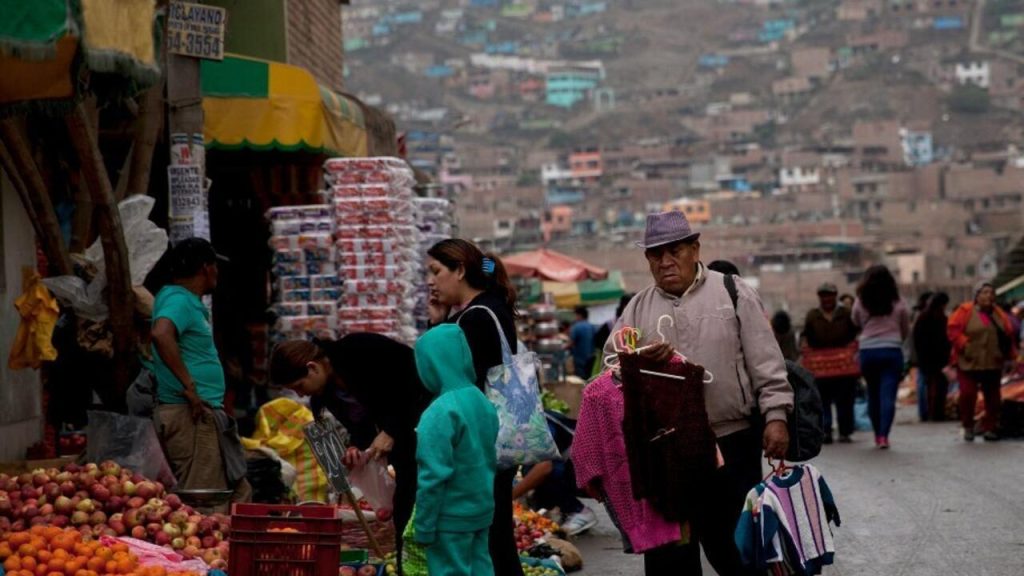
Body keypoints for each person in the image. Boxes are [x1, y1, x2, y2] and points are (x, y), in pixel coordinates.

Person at [610, 211, 793, 576]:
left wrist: (776, 417)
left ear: (695, 249)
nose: (665, 261)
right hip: (665, 455)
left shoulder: (732, 292)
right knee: (671, 561)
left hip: (731, 441)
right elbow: (611, 369)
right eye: (655, 254)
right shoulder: (637, 309)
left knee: (736, 553)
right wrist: (638, 360)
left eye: (674, 251)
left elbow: (767, 362)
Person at [268, 334, 431, 572]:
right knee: (404, 514)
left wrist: (391, 431)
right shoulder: (326, 394)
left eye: (299, 386)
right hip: (404, 453)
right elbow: (362, 424)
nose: (301, 395)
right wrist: (356, 448)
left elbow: (413, 387)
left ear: (312, 368)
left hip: (428, 437)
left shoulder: (360, 350)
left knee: (423, 514)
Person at [425, 238, 523, 576]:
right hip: (495, 437)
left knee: (489, 543)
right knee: (497, 539)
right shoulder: (490, 307)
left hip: (479, 443)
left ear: (460, 270)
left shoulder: (475, 318)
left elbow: (445, 377)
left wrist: (439, 326)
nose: (431, 281)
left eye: (436, 271)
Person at [149, 238, 250, 502]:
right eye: (215, 266)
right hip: (191, 413)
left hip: (198, 412)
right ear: (206, 268)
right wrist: (190, 387)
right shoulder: (178, 299)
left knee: (235, 491)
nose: (217, 272)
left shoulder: (181, 299)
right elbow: (161, 334)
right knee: (205, 498)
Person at [412, 324, 500, 576]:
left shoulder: (439, 412)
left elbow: (433, 476)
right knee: (482, 568)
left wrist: (424, 526)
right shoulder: (482, 401)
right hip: (481, 510)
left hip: (449, 518)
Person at [947, 283, 1016, 442]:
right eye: (984, 292)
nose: (989, 296)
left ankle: (990, 427)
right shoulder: (965, 311)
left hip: (992, 361)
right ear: (976, 296)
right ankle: (968, 425)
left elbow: (1008, 335)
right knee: (968, 394)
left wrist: (1010, 356)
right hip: (968, 361)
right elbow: (953, 330)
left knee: (993, 397)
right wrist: (964, 345)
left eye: (991, 292)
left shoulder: (999, 314)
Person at [511, 410, 597, 536]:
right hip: (579, 468)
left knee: (535, 472)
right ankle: (557, 509)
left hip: (593, 473)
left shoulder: (534, 422)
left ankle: (578, 511)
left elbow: (544, 467)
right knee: (528, 473)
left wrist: (510, 495)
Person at [851, 265, 909, 450]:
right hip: (891, 351)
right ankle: (884, 436)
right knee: (888, 396)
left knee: (873, 394)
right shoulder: (898, 301)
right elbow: (905, 326)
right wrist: (896, 338)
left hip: (868, 352)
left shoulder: (861, 301)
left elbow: (855, 320)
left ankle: (877, 434)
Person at [802, 283, 860, 444]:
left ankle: (845, 431)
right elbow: (805, 336)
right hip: (820, 365)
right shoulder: (812, 315)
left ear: (835, 296)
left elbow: (856, 332)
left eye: (829, 295)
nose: (826, 299)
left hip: (844, 364)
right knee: (822, 400)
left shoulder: (846, 313)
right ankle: (826, 431)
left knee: (845, 400)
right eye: (823, 296)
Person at [913, 293, 951, 422]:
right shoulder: (943, 319)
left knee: (926, 386)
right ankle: (937, 413)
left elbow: (917, 339)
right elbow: (946, 339)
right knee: (940, 386)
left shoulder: (922, 318)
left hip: (925, 358)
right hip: (940, 358)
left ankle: (925, 413)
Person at [908, 292, 934, 422]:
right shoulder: (921, 315)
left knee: (922, 381)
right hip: (921, 353)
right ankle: (924, 411)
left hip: (918, 353)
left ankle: (924, 411)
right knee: (922, 381)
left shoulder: (917, 314)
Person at [568, 306, 596, 379]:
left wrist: (562, 347)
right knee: (589, 377)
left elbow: (571, 342)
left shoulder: (576, 327)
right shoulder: (592, 327)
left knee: (580, 379)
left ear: (580, 315)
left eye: (576, 315)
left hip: (579, 358)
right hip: (591, 357)